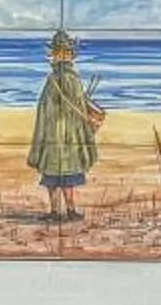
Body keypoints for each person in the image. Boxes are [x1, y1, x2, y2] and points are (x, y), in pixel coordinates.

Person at [27, 28, 106, 221]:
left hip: (52, 136)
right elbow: (80, 108)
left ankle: (55, 212)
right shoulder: (73, 80)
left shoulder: (52, 80)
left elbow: (43, 111)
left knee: (52, 179)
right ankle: (69, 211)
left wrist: (41, 137)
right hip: (70, 137)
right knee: (67, 178)